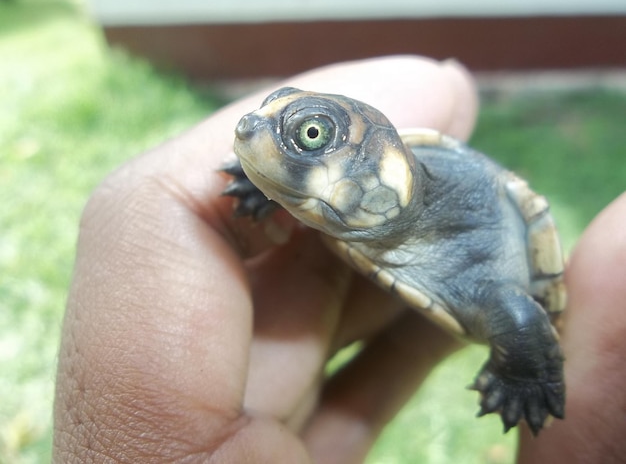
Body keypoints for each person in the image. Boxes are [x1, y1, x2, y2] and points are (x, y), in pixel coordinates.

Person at [52, 56, 626, 463]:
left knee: (514, 323)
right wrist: (268, 181)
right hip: (385, 238)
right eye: (284, 119)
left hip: (479, 256)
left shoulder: (470, 258)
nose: (253, 130)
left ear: (384, 175)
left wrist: (526, 373)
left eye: (305, 133)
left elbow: (521, 315)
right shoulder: (354, 199)